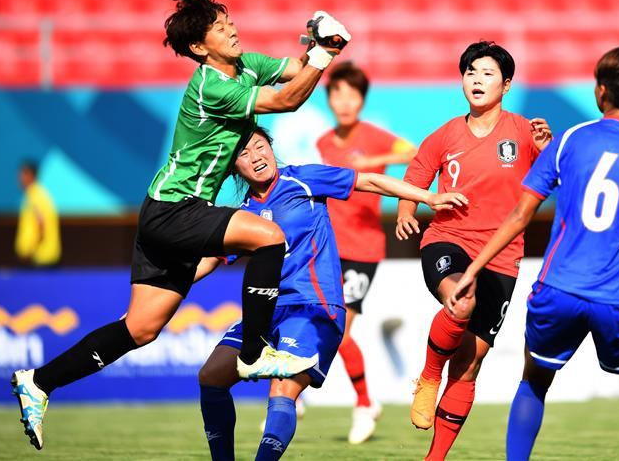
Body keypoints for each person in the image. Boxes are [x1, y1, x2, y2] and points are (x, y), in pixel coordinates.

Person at [11, 0, 351, 451]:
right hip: (178, 208)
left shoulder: (245, 65)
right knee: (269, 238)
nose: (230, 28)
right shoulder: (212, 85)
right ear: (198, 47)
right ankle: (253, 353)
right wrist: (321, 53)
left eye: (228, 19)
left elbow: (295, 72)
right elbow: (289, 100)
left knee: (140, 329)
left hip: (163, 212)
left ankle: (39, 381)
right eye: (218, 26)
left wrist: (318, 49)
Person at [449, 46, 619, 460]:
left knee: (533, 383)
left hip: (557, 291)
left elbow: (520, 215)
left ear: (600, 91)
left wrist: (472, 270)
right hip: (618, 297)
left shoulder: (570, 139)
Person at [195, 127, 467, 460]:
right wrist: (162, 291)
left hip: (314, 307)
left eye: (259, 146)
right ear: (235, 167)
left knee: (282, 388)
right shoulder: (243, 213)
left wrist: (427, 198)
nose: (256, 156)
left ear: (270, 146)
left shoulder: (303, 180)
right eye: (244, 153)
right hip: (267, 313)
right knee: (210, 377)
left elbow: (370, 181)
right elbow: (210, 260)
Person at [397, 41, 552, 460]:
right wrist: (406, 209)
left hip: (503, 256)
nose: (476, 79)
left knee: (468, 363)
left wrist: (545, 144)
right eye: (470, 72)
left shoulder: (523, 131)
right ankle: (429, 377)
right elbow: (415, 174)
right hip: (450, 240)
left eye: (486, 73)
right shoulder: (446, 134)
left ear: (506, 84)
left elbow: (552, 177)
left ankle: (435, 458)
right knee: (461, 299)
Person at [315, 62, 418, 443]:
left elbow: (413, 152)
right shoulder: (324, 141)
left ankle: (363, 404)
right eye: (337, 94)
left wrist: (372, 163)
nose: (344, 102)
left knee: (340, 331)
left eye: (352, 95)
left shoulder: (373, 136)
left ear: (362, 100)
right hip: (327, 248)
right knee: (313, 321)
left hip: (362, 250)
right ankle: (295, 395)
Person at [14, 161, 61, 267]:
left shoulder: (35, 195)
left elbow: (41, 223)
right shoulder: (38, 194)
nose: (19, 179)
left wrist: (30, 248)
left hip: (40, 258)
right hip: (42, 257)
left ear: (31, 175)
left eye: (22, 175)